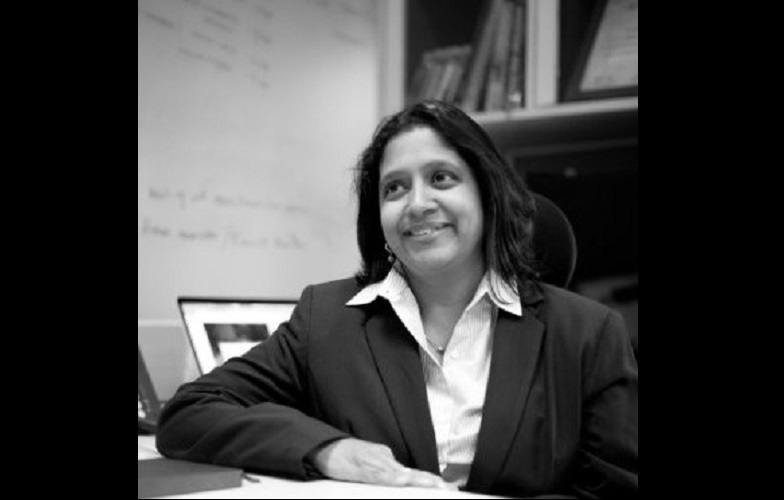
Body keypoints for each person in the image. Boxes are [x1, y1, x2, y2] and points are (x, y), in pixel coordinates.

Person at [156, 100, 638, 498]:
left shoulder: (589, 333)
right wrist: (329, 450)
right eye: (395, 188)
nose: (417, 204)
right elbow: (190, 412)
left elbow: (614, 489)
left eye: (442, 178)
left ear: (488, 195)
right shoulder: (326, 319)